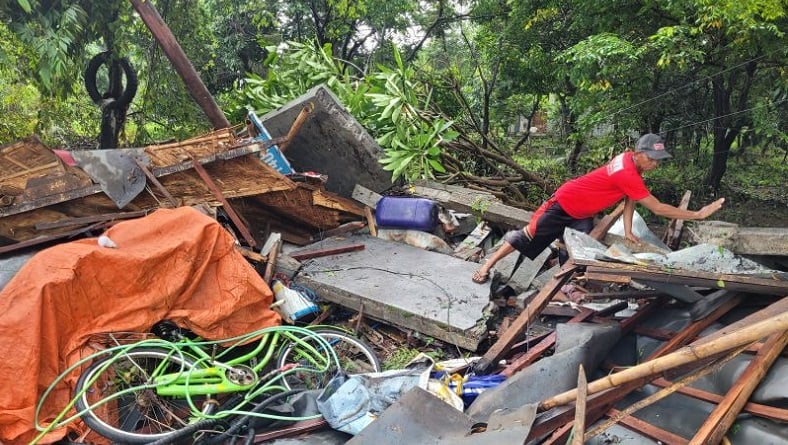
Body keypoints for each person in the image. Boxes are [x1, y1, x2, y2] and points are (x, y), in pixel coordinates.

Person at [471, 133, 726, 283]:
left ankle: (565, 285)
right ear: (638, 153)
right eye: (651, 159)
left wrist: (627, 230)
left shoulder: (629, 161)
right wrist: (697, 214)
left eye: (658, 161)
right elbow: (657, 208)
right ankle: (487, 265)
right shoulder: (628, 171)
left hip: (583, 212)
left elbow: (630, 198)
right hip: (565, 203)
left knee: (575, 249)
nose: (654, 164)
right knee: (527, 236)